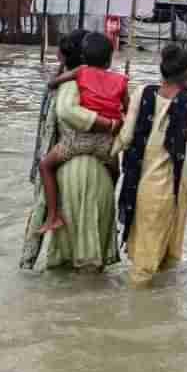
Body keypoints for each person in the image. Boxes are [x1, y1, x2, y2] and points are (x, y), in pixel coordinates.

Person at [21, 32, 123, 272]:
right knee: (94, 270)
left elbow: (54, 130)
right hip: (104, 175)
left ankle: (52, 216)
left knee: (63, 271)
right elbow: (123, 119)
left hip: (69, 176)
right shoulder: (112, 83)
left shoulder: (68, 85)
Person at [114, 44, 187, 287]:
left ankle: (135, 312)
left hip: (142, 185)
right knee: (164, 259)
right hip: (174, 186)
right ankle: (151, 313)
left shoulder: (143, 92)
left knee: (143, 259)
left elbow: (125, 137)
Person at [36, 36, 129, 234]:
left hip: (79, 141)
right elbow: (127, 112)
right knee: (115, 172)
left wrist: (56, 79)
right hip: (106, 143)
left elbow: (54, 83)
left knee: (45, 165)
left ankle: (53, 216)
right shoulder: (121, 80)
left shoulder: (80, 72)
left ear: (84, 58)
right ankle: (108, 209)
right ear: (109, 60)